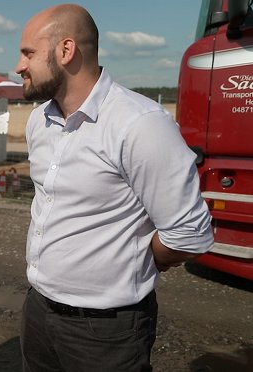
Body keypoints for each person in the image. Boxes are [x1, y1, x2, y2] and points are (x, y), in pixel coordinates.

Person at [15, 4, 213, 371]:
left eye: (28, 53)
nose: (19, 65)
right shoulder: (39, 122)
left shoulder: (139, 124)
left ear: (66, 50)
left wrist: (139, 257)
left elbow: (189, 233)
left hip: (105, 331)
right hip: (38, 312)